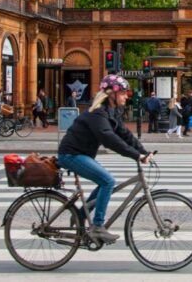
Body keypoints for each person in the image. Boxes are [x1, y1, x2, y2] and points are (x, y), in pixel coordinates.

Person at [58, 74, 152, 244]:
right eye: (123, 93)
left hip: (82, 154)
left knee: (106, 181)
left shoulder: (111, 112)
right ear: (112, 95)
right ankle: (98, 227)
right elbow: (108, 138)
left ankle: (79, 215)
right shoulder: (98, 112)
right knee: (107, 181)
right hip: (71, 154)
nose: (126, 96)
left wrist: (143, 152)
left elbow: (124, 134)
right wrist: (135, 155)